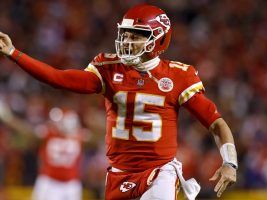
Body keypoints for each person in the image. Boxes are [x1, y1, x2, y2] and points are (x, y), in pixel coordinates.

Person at [0, 4, 238, 200]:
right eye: (125, 33)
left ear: (159, 38)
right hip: (118, 174)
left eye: (136, 35)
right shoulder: (108, 68)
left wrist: (230, 162)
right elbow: (58, 78)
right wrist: (14, 53)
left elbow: (216, 123)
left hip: (158, 171)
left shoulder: (178, 75)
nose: (127, 39)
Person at [0, 101, 87, 200]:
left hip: (71, 183)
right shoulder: (49, 133)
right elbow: (28, 132)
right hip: (49, 181)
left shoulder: (79, 136)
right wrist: (8, 118)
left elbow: (100, 136)